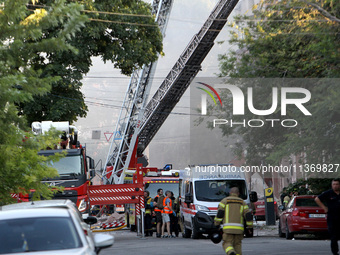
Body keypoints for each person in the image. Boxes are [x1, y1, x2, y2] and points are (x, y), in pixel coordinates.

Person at [214, 187, 253, 255]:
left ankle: (231, 252)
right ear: (238, 193)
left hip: (228, 229)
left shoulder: (224, 201)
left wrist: (216, 224)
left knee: (227, 243)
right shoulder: (242, 202)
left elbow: (220, 214)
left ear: (230, 193)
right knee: (237, 245)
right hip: (239, 230)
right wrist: (250, 227)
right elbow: (248, 215)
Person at [315, 178, 340, 255]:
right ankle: (335, 252)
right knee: (333, 236)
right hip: (332, 218)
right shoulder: (328, 193)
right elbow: (317, 199)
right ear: (331, 185)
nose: (335, 186)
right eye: (333, 184)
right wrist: (324, 208)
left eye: (337, 184)